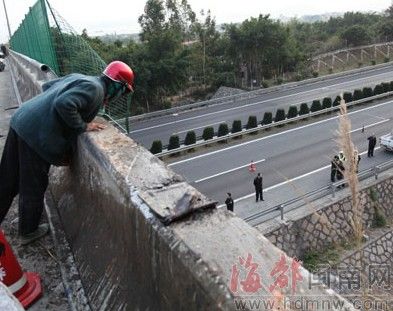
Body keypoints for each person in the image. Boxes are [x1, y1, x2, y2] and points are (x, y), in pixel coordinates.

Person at [0, 61, 134, 245]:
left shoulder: (83, 78)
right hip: (35, 133)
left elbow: (48, 86)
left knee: (8, 179)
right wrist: (82, 125)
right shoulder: (96, 90)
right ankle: (28, 231)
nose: (121, 95)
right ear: (117, 85)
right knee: (33, 185)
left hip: (22, 119)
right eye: (123, 91)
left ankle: (19, 220)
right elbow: (64, 103)